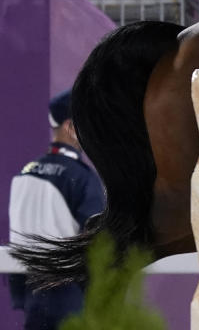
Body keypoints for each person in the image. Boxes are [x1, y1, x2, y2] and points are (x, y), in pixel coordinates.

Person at [8, 89, 105, 330]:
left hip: (32, 296)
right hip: (70, 297)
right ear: (70, 127)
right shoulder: (83, 178)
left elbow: (16, 240)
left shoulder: (24, 174)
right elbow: (99, 242)